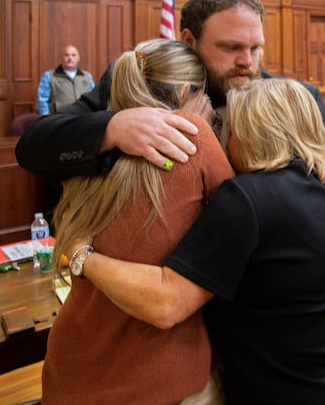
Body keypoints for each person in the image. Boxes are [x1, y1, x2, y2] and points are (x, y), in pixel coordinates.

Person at [67, 78, 325, 405]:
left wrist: (81, 253)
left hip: (298, 392)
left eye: (231, 132)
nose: (227, 143)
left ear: (254, 135)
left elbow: (166, 304)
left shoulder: (247, 200)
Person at [15, 0, 325, 222]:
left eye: (256, 47)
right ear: (188, 40)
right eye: (231, 47)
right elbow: (33, 146)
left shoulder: (298, 100)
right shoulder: (140, 81)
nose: (248, 61)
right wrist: (114, 128)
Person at [41, 39, 234, 404]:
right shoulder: (194, 132)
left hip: (71, 368)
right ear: (183, 92)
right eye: (203, 94)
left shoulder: (91, 142)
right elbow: (240, 219)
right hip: (159, 379)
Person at [36, 44, 95, 115]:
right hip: (60, 120)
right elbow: (42, 101)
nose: (70, 58)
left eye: (73, 55)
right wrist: (47, 120)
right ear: (61, 58)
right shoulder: (49, 76)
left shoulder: (87, 76)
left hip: (84, 118)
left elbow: (93, 98)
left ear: (78, 58)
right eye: (66, 55)